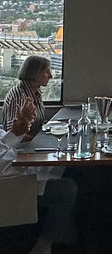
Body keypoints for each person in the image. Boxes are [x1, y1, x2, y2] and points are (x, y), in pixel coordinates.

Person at [1, 101, 77, 254]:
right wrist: (13, 134)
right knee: (66, 189)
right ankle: (44, 244)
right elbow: (6, 143)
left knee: (71, 168)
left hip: (21, 170)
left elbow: (6, 144)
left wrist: (20, 128)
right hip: (10, 185)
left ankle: (67, 236)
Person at [2, 55, 53, 137]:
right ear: (35, 73)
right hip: (22, 144)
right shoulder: (19, 96)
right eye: (47, 72)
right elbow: (13, 134)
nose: (51, 76)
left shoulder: (35, 92)